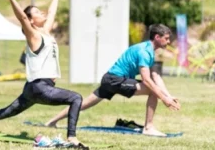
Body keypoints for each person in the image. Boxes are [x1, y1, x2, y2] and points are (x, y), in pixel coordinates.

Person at [0, 0, 88, 149]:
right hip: (41, 87)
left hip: (33, 88)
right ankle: (72, 137)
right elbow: (22, 17)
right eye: (37, 12)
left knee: (8, 111)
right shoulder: (33, 36)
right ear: (31, 21)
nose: (43, 13)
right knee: (76, 98)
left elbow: (52, 12)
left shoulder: (45, 33)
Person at [45, 24, 181, 137]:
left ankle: (52, 122)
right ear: (157, 37)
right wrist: (163, 98)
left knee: (84, 103)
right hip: (116, 80)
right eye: (167, 39)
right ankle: (148, 127)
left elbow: (155, 76)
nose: (169, 42)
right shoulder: (145, 52)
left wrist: (168, 96)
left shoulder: (147, 49)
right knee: (153, 92)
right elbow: (147, 80)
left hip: (109, 79)